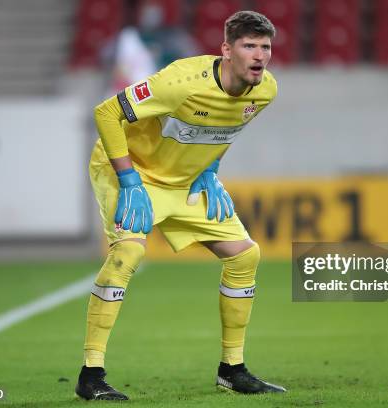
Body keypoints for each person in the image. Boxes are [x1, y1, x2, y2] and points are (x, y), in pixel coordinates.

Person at [75, 10, 285, 401]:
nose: (259, 55)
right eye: (249, 45)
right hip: (131, 170)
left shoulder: (265, 90)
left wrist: (210, 169)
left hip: (184, 181)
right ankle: (91, 375)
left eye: (265, 47)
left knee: (244, 256)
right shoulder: (180, 82)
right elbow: (106, 112)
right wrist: (129, 180)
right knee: (128, 252)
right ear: (226, 49)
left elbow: (227, 126)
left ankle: (232, 370)